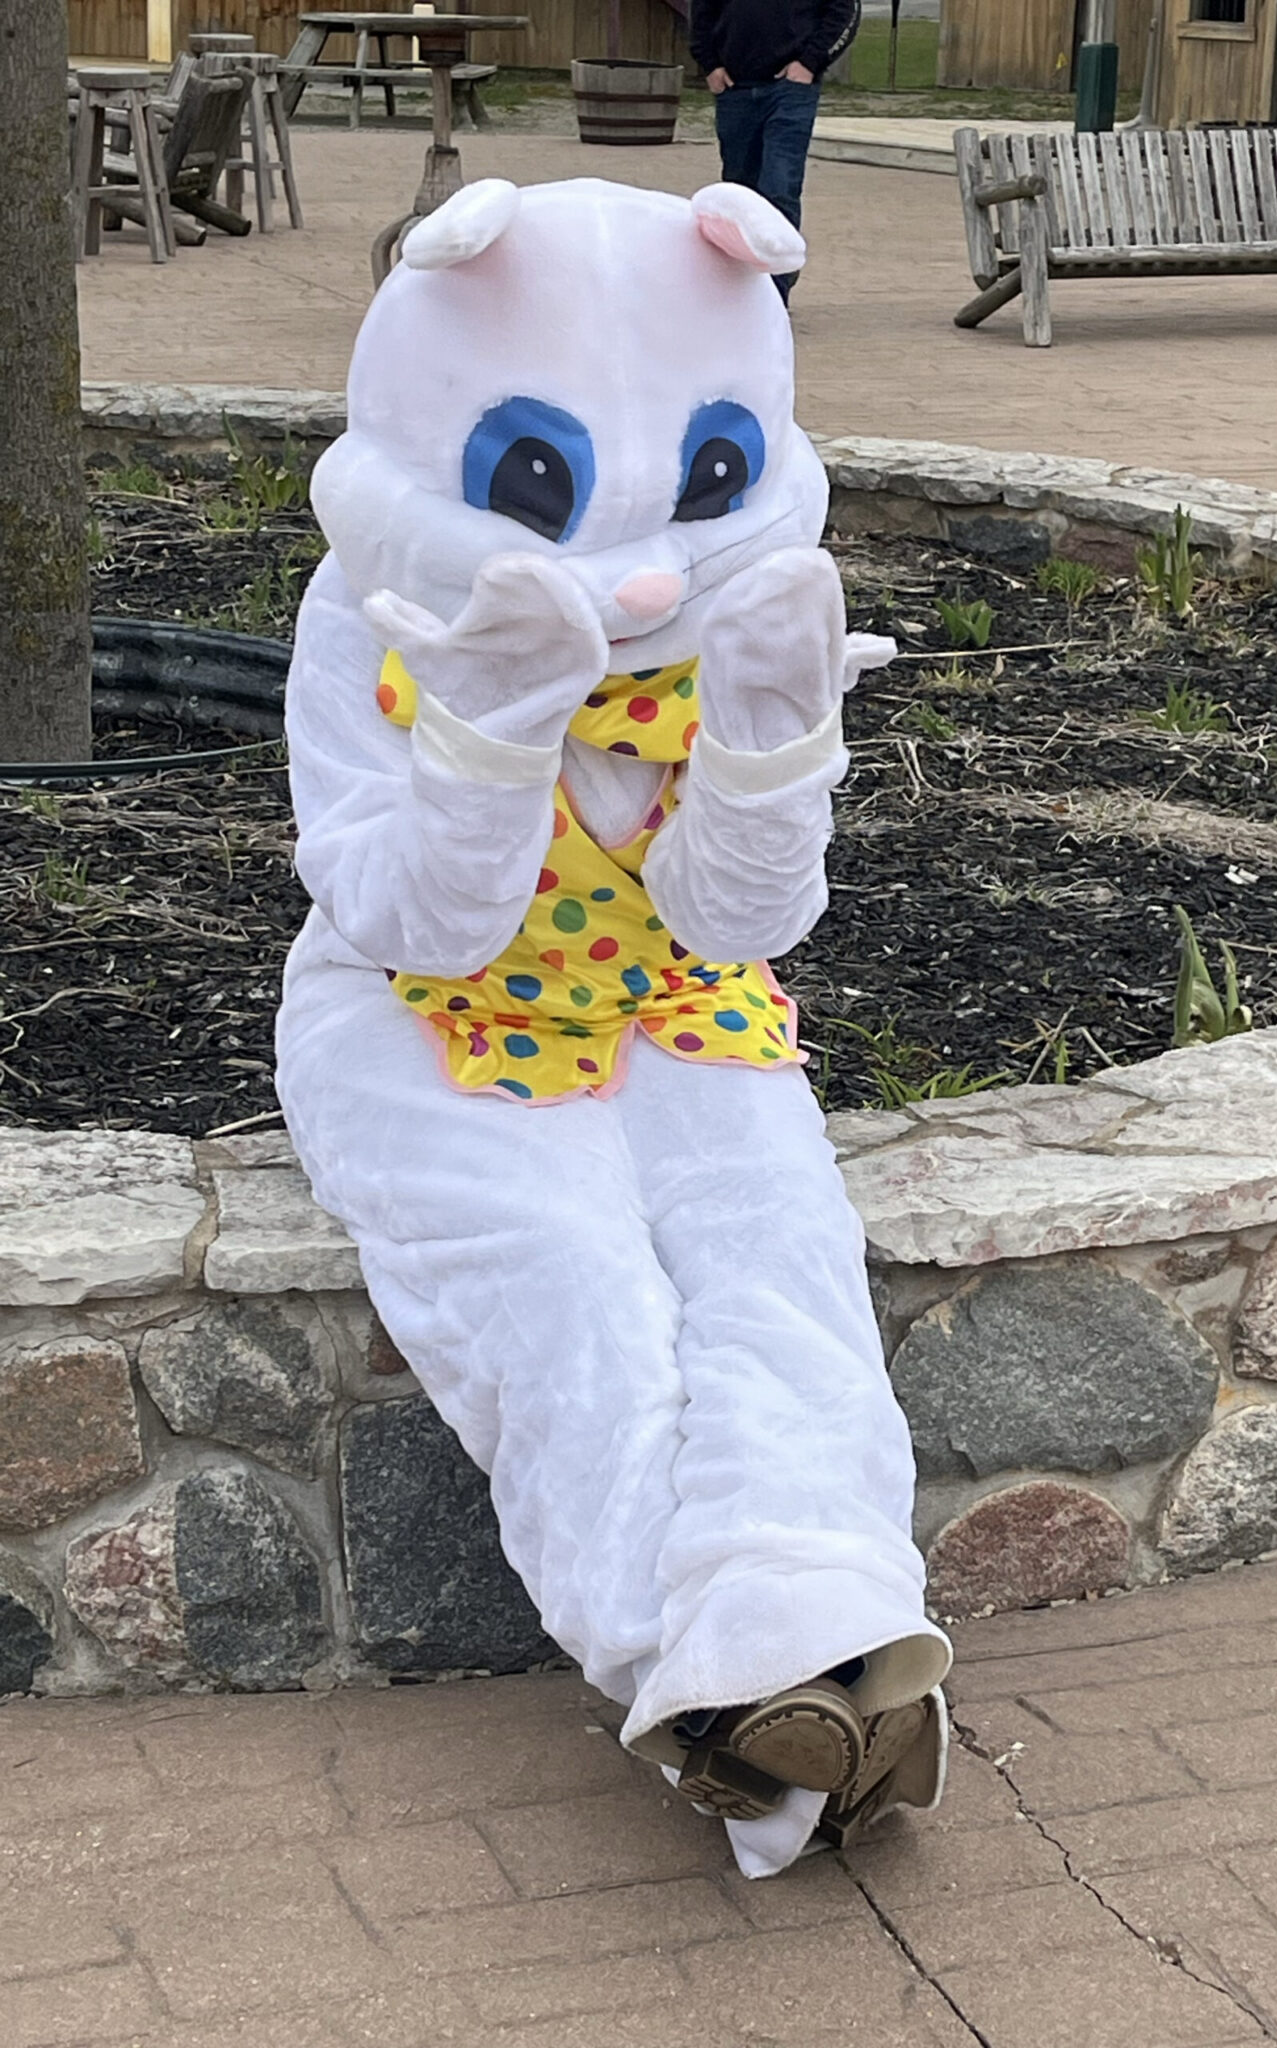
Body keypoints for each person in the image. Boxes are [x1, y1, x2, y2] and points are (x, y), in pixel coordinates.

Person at [276, 174, 951, 1882]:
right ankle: (740, 1696)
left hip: (674, 1001)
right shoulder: (372, 617)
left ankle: (827, 1632)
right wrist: (492, 733)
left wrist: (774, 743)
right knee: (569, 1290)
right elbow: (409, 913)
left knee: (779, 1263)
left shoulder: (745, 608)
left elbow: (746, 916)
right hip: (435, 1015)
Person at [689, 0, 858, 301]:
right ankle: (740, 290)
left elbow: (845, 12)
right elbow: (701, 13)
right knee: (739, 191)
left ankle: (776, 295)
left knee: (779, 186)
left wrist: (810, 62)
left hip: (791, 89)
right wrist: (710, 64)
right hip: (735, 90)